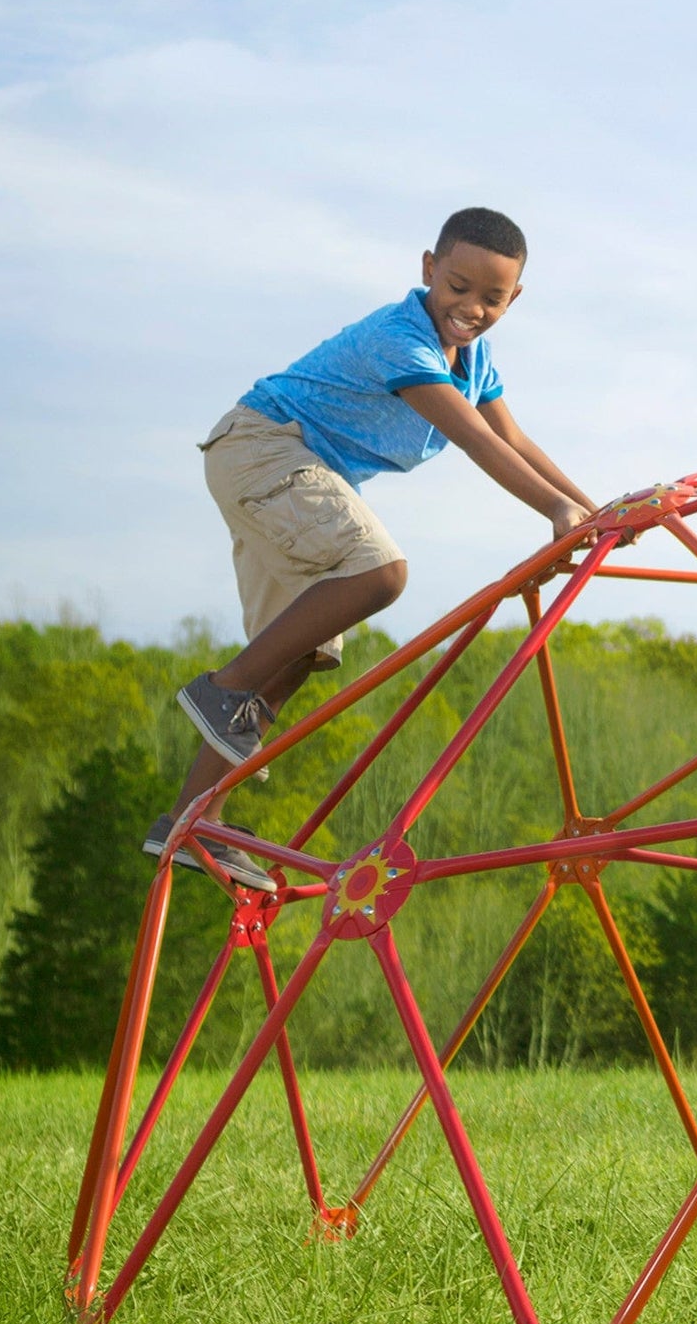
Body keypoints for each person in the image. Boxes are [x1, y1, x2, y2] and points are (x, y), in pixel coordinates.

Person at [148, 207, 596, 888]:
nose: (470, 308)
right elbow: (475, 440)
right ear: (427, 270)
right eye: (458, 286)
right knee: (380, 574)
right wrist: (556, 509)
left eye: (492, 298)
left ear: (514, 299)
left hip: (292, 471)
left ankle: (187, 822)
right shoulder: (402, 341)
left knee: (300, 653)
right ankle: (223, 689)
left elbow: (514, 438)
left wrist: (589, 508)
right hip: (265, 448)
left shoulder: (475, 360)